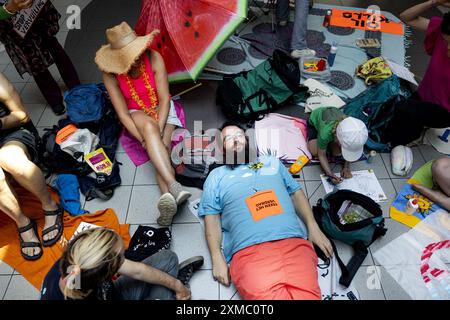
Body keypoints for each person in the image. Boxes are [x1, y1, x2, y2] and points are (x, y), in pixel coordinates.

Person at [199, 122, 332, 300]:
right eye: (228, 138)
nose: (235, 140)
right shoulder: (217, 176)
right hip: (250, 254)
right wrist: (217, 257)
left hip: (294, 245)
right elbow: (211, 218)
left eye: (238, 135)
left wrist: (313, 227)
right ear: (222, 150)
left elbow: (295, 193)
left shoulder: (271, 162)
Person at [95, 22, 191, 226]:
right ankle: (174, 185)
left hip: (162, 109)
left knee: (163, 145)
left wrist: (161, 126)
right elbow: (123, 114)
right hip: (136, 113)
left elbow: (165, 99)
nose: (134, 59)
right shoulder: (110, 73)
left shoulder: (154, 57)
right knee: (149, 130)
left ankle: (168, 198)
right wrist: (143, 140)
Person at [0, 71, 63, 261]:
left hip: (10, 131)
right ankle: (22, 222)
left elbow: (21, 116)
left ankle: (50, 205)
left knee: (9, 158)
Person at [40, 227, 204, 300]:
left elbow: (138, 271)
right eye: (121, 256)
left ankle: (172, 286)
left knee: (168, 258)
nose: (125, 253)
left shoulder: (80, 260)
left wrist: (177, 286)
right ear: (109, 271)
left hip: (114, 294)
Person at [0, 0, 81, 115]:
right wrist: (7, 9)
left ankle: (74, 85)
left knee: (54, 46)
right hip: (10, 23)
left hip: (34, 10)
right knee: (32, 59)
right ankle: (54, 98)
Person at [386, 1, 450, 147]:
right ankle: (415, 130)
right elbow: (406, 17)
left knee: (403, 110)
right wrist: (434, 2)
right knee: (391, 102)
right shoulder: (444, 30)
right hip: (424, 94)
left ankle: (399, 144)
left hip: (444, 111)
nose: (448, 48)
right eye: (447, 42)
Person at [307, 107, 368, 185]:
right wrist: (330, 175)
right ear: (337, 137)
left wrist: (346, 167)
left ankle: (326, 144)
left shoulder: (353, 128)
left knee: (337, 153)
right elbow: (321, 155)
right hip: (315, 121)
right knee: (315, 151)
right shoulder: (325, 133)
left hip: (333, 127)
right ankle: (317, 141)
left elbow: (351, 147)